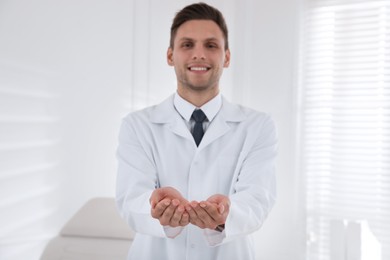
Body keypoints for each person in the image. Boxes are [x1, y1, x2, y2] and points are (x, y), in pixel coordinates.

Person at [116, 2, 277, 260]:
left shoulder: (257, 126)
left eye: (211, 45)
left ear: (226, 56)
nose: (199, 54)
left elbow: (257, 200)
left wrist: (226, 214)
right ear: (170, 55)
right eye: (187, 44)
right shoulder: (137, 125)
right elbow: (131, 199)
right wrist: (157, 208)